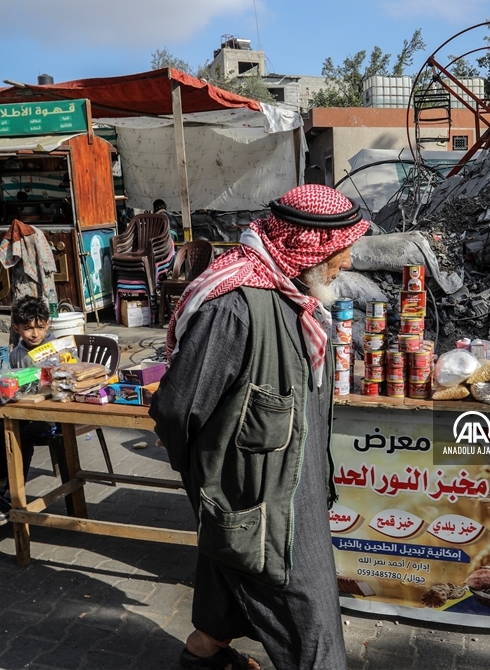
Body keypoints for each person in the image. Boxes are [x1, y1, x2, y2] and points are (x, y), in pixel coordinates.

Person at [150, 184, 368, 670]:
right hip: (265, 508)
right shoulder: (236, 309)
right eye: (340, 250)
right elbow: (176, 410)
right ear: (306, 247)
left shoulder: (293, 294)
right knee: (312, 623)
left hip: (288, 492)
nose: (348, 262)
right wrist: (210, 484)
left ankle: (204, 655)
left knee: (224, 591)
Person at [0, 295, 64, 527]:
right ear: (16, 328)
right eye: (27, 328)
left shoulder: (56, 349)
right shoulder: (16, 353)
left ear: (47, 325)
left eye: (39, 327)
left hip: (52, 415)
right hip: (24, 411)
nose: (34, 334)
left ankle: (11, 497)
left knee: (21, 437)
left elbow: (63, 385)